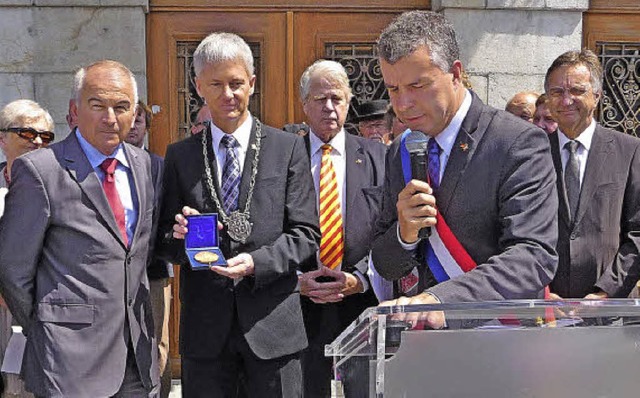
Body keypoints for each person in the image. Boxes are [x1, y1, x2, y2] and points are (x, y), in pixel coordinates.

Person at [156, 32, 320, 397]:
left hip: (273, 325)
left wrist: (255, 263)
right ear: (198, 86)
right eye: (216, 84)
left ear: (253, 83)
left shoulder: (288, 148)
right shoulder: (180, 156)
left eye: (236, 83)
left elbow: (306, 234)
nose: (228, 94)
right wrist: (179, 236)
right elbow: (164, 241)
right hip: (206, 332)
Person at [370, 11, 558, 328]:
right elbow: (385, 265)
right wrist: (404, 235)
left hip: (499, 339)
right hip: (424, 348)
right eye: (393, 89)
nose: (402, 105)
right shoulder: (401, 151)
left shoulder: (516, 142)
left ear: (456, 73)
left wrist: (445, 300)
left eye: (417, 85)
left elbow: (533, 255)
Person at [0, 60, 159, 397]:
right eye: (97, 105)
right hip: (68, 363)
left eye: (121, 107)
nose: (110, 118)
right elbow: (13, 269)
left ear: (135, 113)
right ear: (74, 110)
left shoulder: (147, 166)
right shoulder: (41, 170)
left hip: (136, 360)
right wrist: (47, 329)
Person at [296, 60, 385, 397]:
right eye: (320, 99)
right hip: (301, 302)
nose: (330, 108)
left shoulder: (379, 157)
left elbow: (389, 229)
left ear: (349, 101)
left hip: (361, 302)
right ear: (304, 104)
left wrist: (361, 278)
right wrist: (294, 282)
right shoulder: (285, 156)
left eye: (337, 98)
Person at [544, 50, 640, 299]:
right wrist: (540, 291)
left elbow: (638, 233)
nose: (566, 101)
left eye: (577, 91)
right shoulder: (532, 152)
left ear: (596, 96)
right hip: (544, 311)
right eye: (557, 92)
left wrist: (606, 292)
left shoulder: (629, 151)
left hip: (610, 312)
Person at [0, 99, 54, 398]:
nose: (36, 141)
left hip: (39, 312)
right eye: (26, 133)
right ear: (2, 138)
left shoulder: (64, 189)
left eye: (45, 136)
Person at [126, 100, 173, 398]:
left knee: (156, 340)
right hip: (116, 273)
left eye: (138, 121)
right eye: (128, 120)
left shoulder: (159, 166)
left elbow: (165, 217)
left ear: (147, 127)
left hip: (154, 270)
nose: (132, 127)